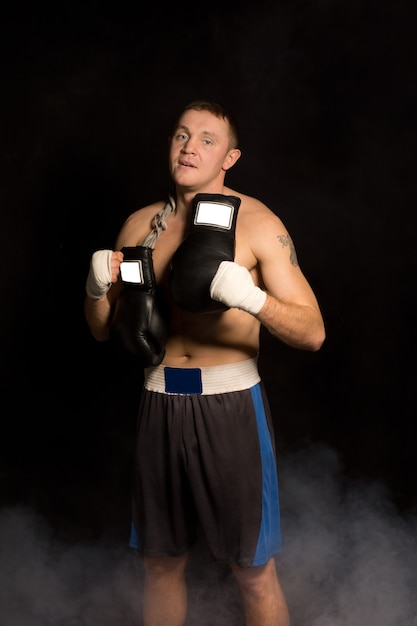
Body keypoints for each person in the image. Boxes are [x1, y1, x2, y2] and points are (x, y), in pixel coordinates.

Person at [84, 99, 325, 626]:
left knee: (254, 573)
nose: (190, 147)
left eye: (207, 139)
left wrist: (252, 298)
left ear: (229, 158)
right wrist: (96, 289)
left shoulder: (259, 224)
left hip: (230, 406)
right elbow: (103, 330)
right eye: (180, 135)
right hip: (159, 402)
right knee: (160, 564)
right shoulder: (138, 225)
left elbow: (313, 333)